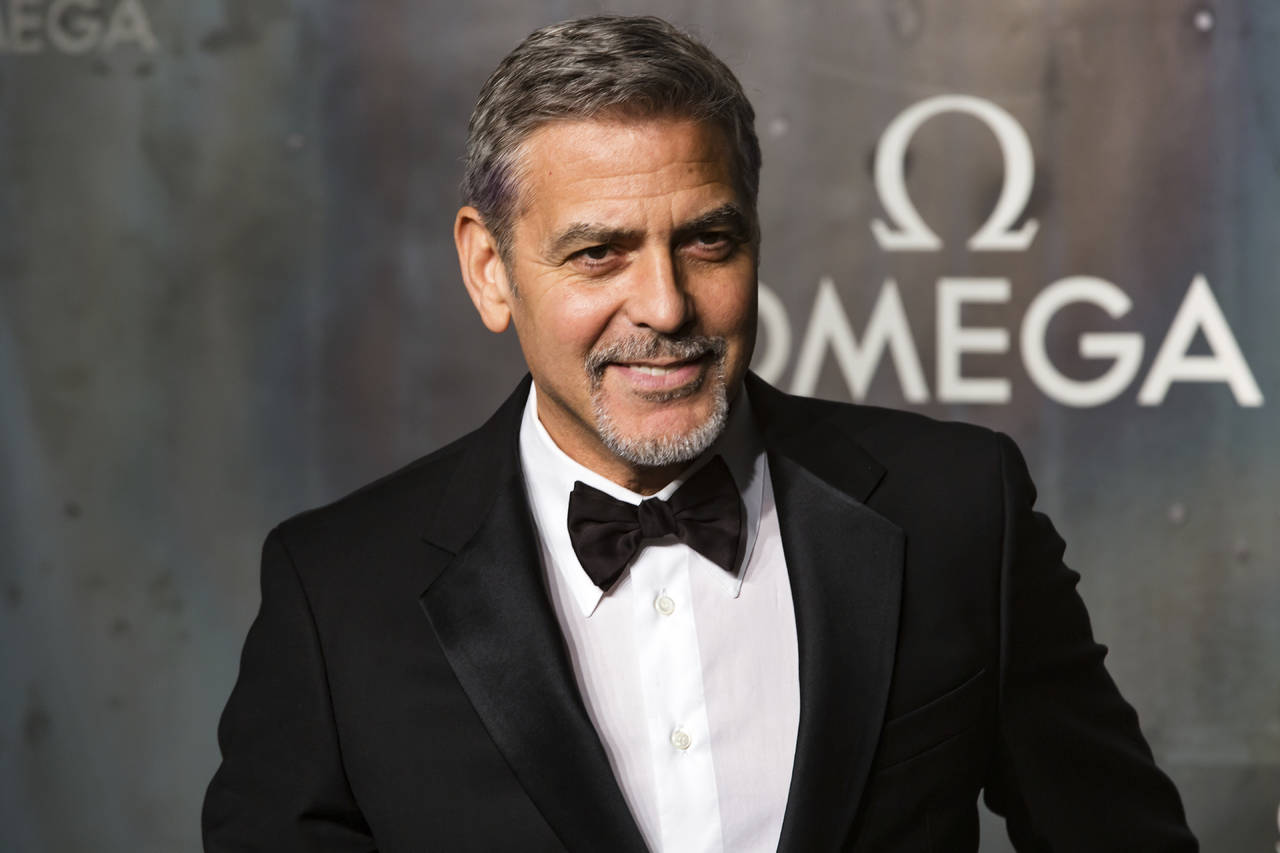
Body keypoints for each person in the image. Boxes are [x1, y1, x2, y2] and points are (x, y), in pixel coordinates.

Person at [203, 14, 1198, 853]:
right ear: (489, 270)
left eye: (706, 241)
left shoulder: (959, 513)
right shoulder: (338, 597)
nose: (666, 304)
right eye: (599, 254)